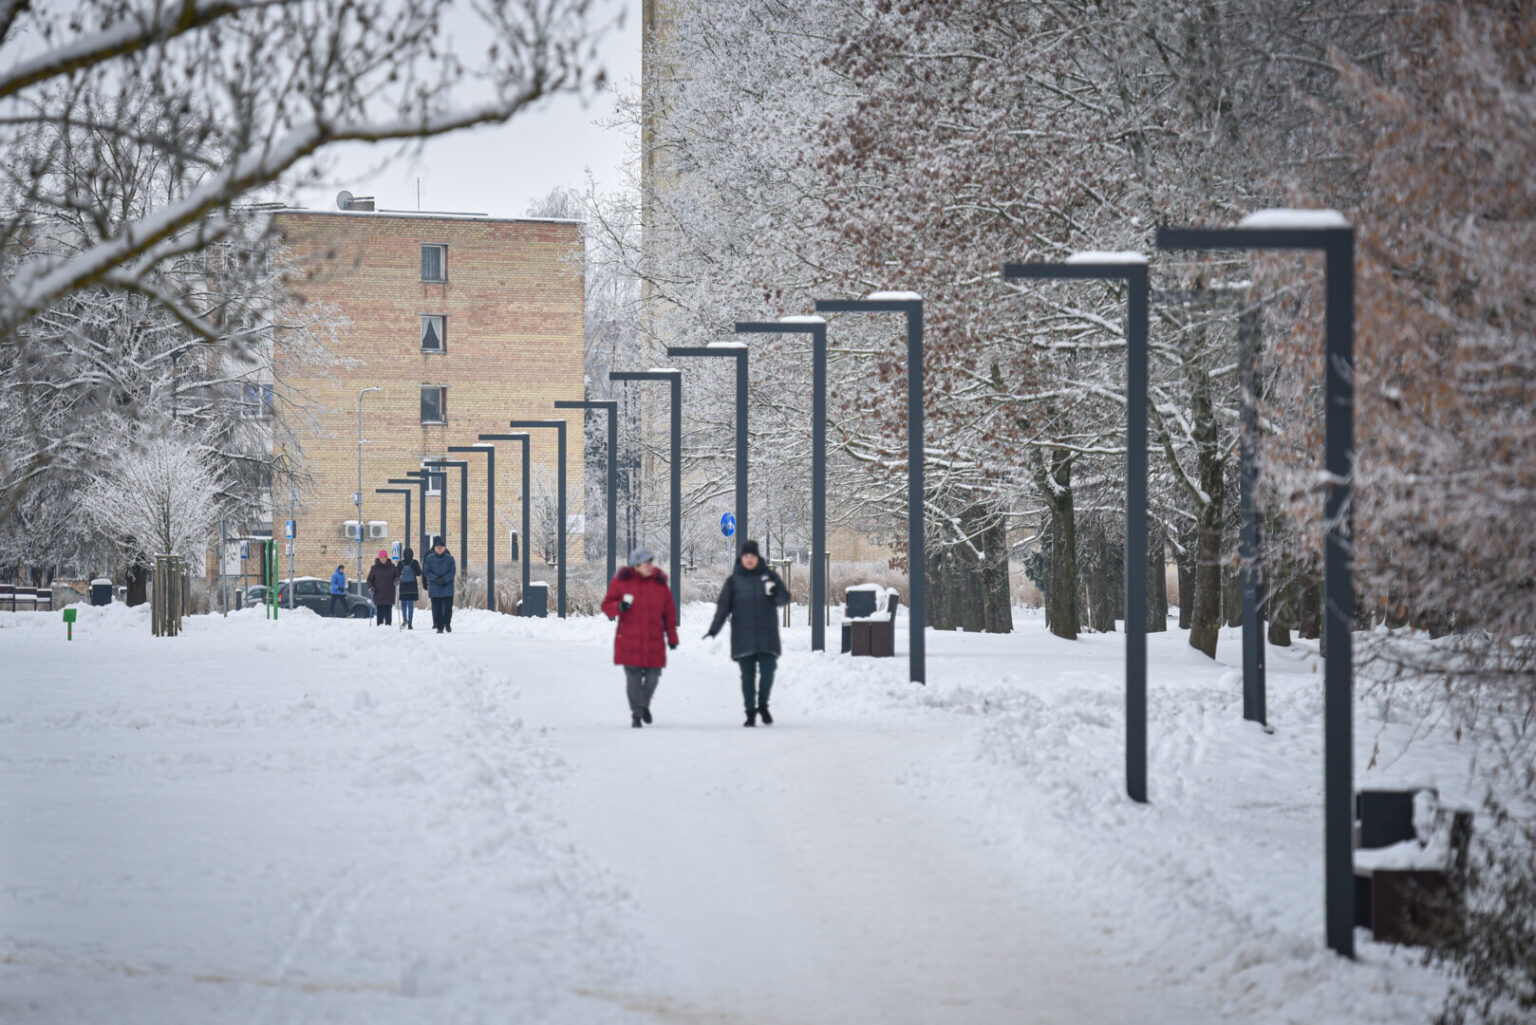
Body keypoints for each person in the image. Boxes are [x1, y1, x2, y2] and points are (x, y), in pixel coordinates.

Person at [704, 539, 791, 727]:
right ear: (741, 558)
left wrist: (774, 592)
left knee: (768, 671)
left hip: (767, 634)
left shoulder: (769, 577)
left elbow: (783, 599)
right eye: (746, 556)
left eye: (752, 556)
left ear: (757, 557)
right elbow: (723, 608)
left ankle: (763, 704)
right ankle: (750, 712)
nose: (749, 560)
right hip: (743, 635)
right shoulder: (733, 581)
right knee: (748, 676)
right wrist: (714, 629)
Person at [600, 547, 680, 728]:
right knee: (633, 680)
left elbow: (669, 614)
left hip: (654, 640)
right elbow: (607, 605)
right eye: (645, 563)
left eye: (650, 562)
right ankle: (636, 714)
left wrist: (672, 637)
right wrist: (619, 607)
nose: (649, 566)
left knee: (653, 678)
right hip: (629, 640)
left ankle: (644, 705)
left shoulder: (660, 584)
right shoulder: (621, 583)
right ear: (635, 566)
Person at [424, 535, 456, 633]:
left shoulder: (450, 559)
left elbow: (452, 572)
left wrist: (444, 579)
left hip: (447, 587)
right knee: (437, 608)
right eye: (437, 548)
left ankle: (447, 623)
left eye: (441, 548)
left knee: (447, 608)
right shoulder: (429, 558)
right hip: (435, 586)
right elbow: (426, 571)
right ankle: (439, 626)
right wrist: (435, 578)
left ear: (444, 548)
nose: (439, 549)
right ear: (434, 548)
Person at [365, 550, 398, 626]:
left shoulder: (392, 567)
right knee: (379, 612)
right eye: (381, 557)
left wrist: (397, 580)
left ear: (386, 558)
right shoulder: (374, 568)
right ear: (379, 558)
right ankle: (379, 628)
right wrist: (371, 587)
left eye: (384, 557)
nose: (383, 559)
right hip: (378, 594)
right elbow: (369, 579)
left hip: (389, 594)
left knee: (388, 612)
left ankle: (388, 627)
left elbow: (397, 576)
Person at [396, 546, 423, 630]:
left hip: (403, 587)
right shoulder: (414, 562)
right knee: (410, 605)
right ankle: (410, 624)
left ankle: (404, 619)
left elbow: (397, 574)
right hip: (412, 587)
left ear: (403, 554)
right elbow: (419, 573)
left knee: (403, 604)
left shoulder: (400, 563)